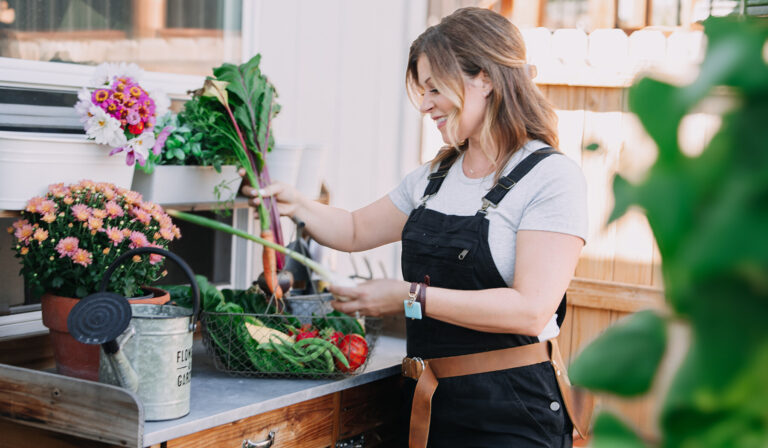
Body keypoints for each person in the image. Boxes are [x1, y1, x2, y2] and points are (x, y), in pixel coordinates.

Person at [243, 7, 587, 447]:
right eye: (422, 91)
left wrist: (409, 297)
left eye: (434, 88)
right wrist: (295, 203)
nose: (425, 105)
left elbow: (530, 309)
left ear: (484, 78)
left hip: (513, 413)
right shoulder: (433, 179)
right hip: (429, 402)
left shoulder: (549, 177)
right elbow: (352, 230)